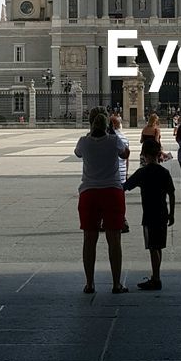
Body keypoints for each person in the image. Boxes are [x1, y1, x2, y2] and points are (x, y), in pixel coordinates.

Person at [74, 111, 130, 294]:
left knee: (89, 239)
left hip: (89, 192)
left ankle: (89, 283)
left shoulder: (84, 141)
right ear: (108, 125)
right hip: (112, 192)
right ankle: (116, 283)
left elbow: (77, 154)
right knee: (114, 240)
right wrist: (113, 134)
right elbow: (125, 154)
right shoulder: (114, 141)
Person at [124, 136, 175, 290]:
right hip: (162, 212)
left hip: (149, 214)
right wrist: (172, 213)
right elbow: (171, 193)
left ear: (144, 155)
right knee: (158, 246)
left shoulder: (142, 172)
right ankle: (155, 275)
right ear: (159, 154)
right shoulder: (164, 172)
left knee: (153, 247)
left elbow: (125, 186)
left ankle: (156, 278)